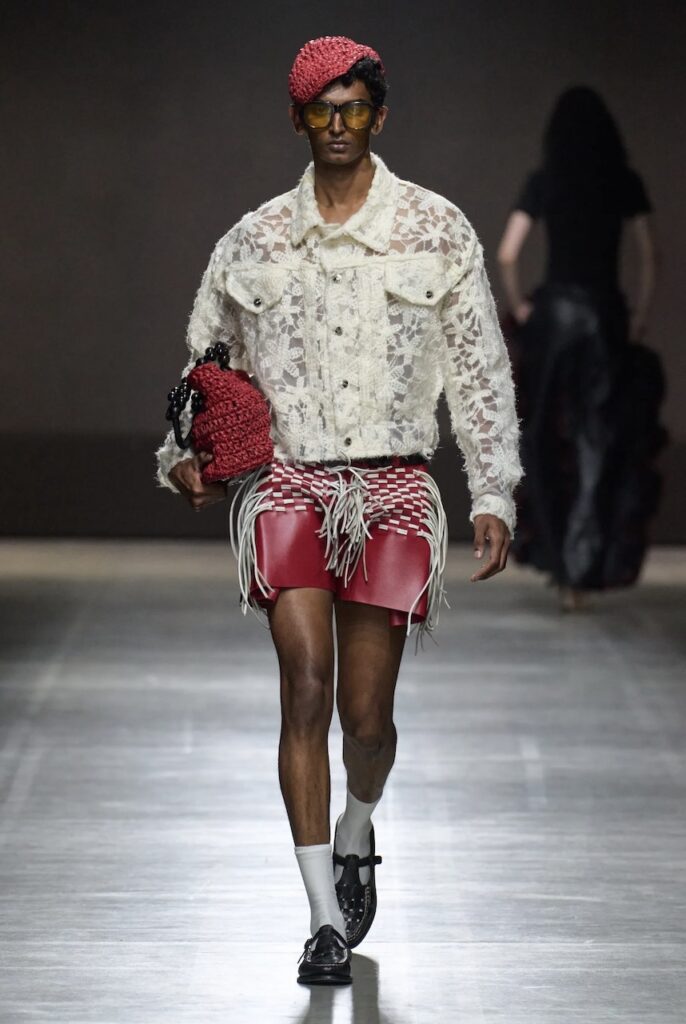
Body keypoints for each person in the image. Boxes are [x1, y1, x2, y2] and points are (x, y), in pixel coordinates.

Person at [156, 35, 522, 985]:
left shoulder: (435, 229)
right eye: (322, 110)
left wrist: (493, 489)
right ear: (299, 119)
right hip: (288, 486)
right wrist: (183, 455)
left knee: (366, 721)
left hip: (393, 488)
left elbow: (479, 367)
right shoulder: (254, 239)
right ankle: (322, 917)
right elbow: (205, 368)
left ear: (379, 116)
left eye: (354, 108)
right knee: (306, 688)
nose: (338, 124)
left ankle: (358, 824)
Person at [497, 86, 666, 610]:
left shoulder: (544, 180)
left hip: (554, 318)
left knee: (544, 440)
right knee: (598, 440)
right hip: (603, 315)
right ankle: (582, 563)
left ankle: (558, 563)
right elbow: (651, 257)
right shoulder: (623, 181)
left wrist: (522, 306)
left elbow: (507, 253)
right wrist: (639, 316)